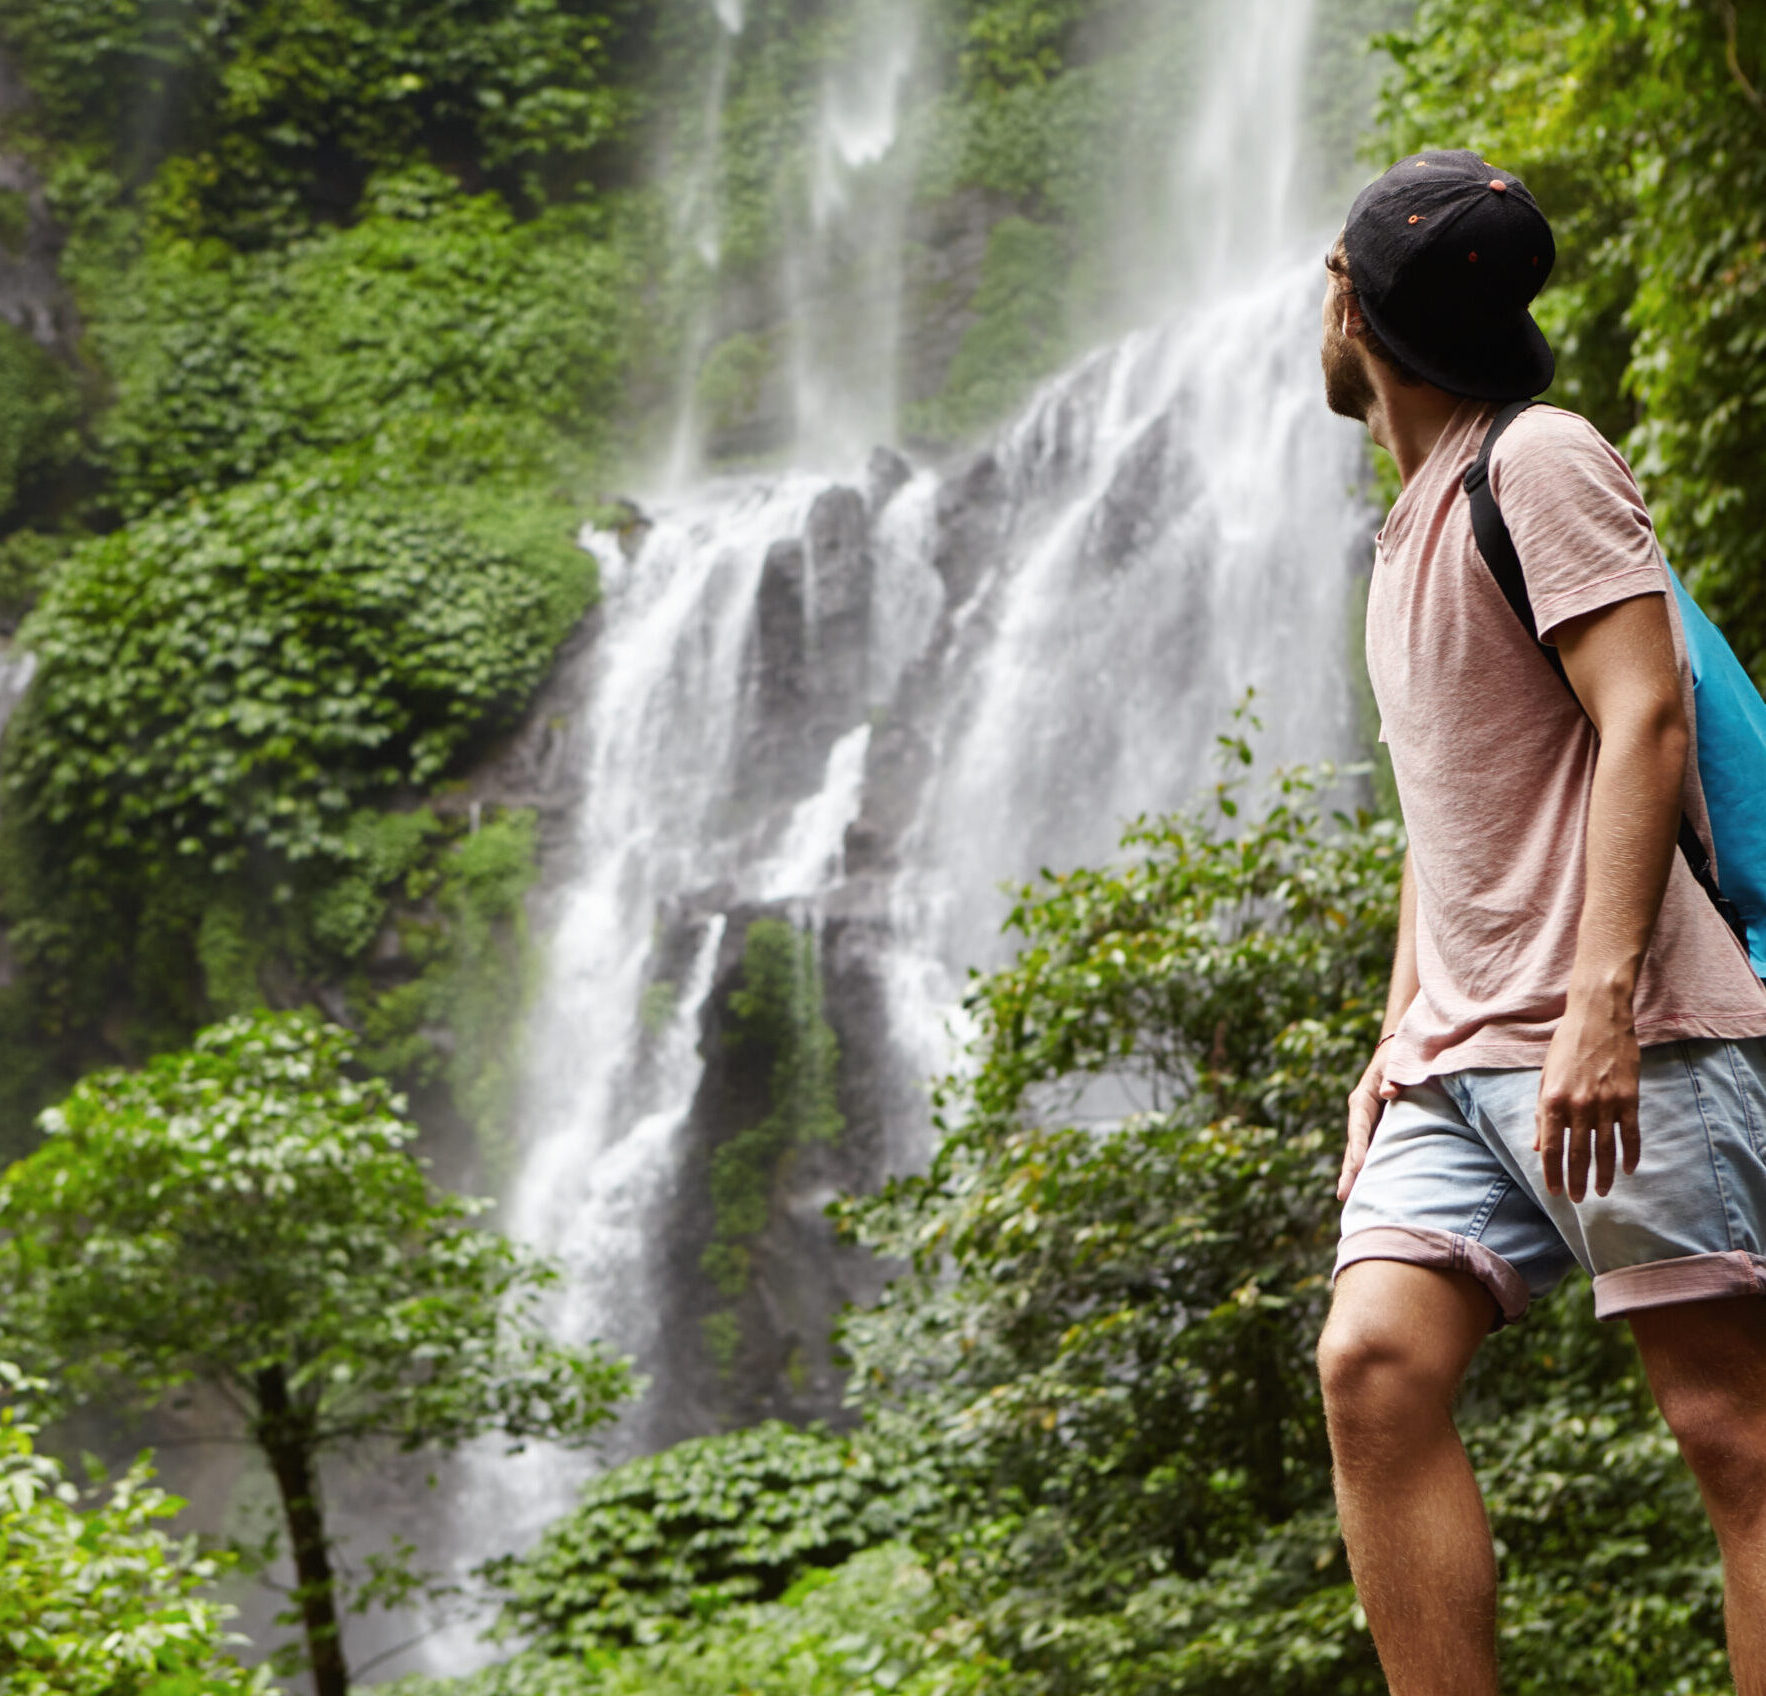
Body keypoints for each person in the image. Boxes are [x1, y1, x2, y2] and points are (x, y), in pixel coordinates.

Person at [1317, 148, 1766, 1696]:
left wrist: (1598, 999)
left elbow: (1638, 715)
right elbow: (1452, 811)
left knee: (1731, 1431)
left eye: (1329, 279)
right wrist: (1394, 1035)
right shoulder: (1408, 526)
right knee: (1370, 1366)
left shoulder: (1541, 461)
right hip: (1456, 1054)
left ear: (1352, 308)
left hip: (1620, 1024)